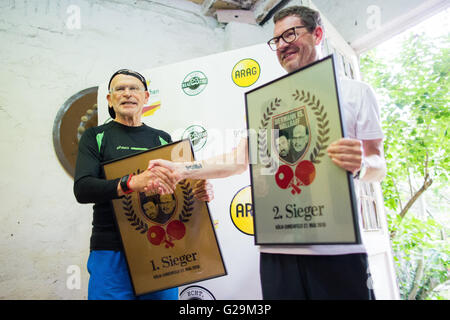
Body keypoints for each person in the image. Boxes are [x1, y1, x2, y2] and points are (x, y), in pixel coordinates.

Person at [148, 5, 386, 300]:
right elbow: (237, 161)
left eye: (291, 34)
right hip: (277, 251)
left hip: (338, 250)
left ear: (318, 34)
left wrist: (362, 164)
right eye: (277, 40)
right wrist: (184, 170)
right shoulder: (266, 104)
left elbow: (378, 164)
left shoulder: (356, 93)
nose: (283, 45)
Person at [73, 69, 214, 300]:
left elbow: (178, 191)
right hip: (110, 250)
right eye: (120, 89)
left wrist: (200, 192)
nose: (127, 93)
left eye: (134, 88)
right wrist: (131, 182)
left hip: (160, 250)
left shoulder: (161, 139)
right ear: (110, 99)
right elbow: (83, 188)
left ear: (146, 97)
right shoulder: (95, 137)